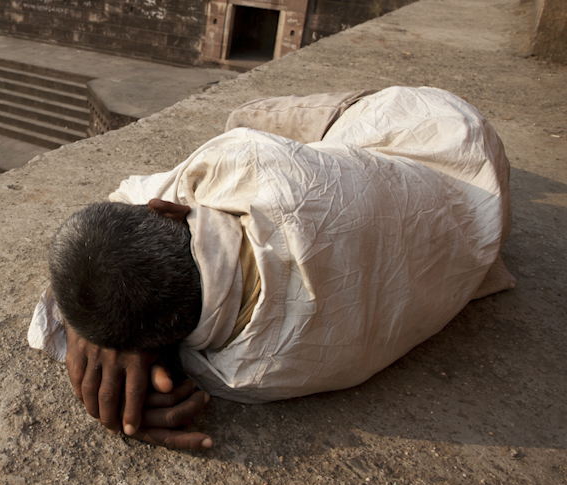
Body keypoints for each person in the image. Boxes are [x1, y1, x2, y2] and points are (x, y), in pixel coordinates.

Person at [29, 86, 514, 450]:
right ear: (170, 211)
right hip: (441, 137)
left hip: (467, 204)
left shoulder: (244, 377)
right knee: (240, 116)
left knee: (250, 119)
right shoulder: (246, 161)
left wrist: (103, 333)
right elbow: (131, 191)